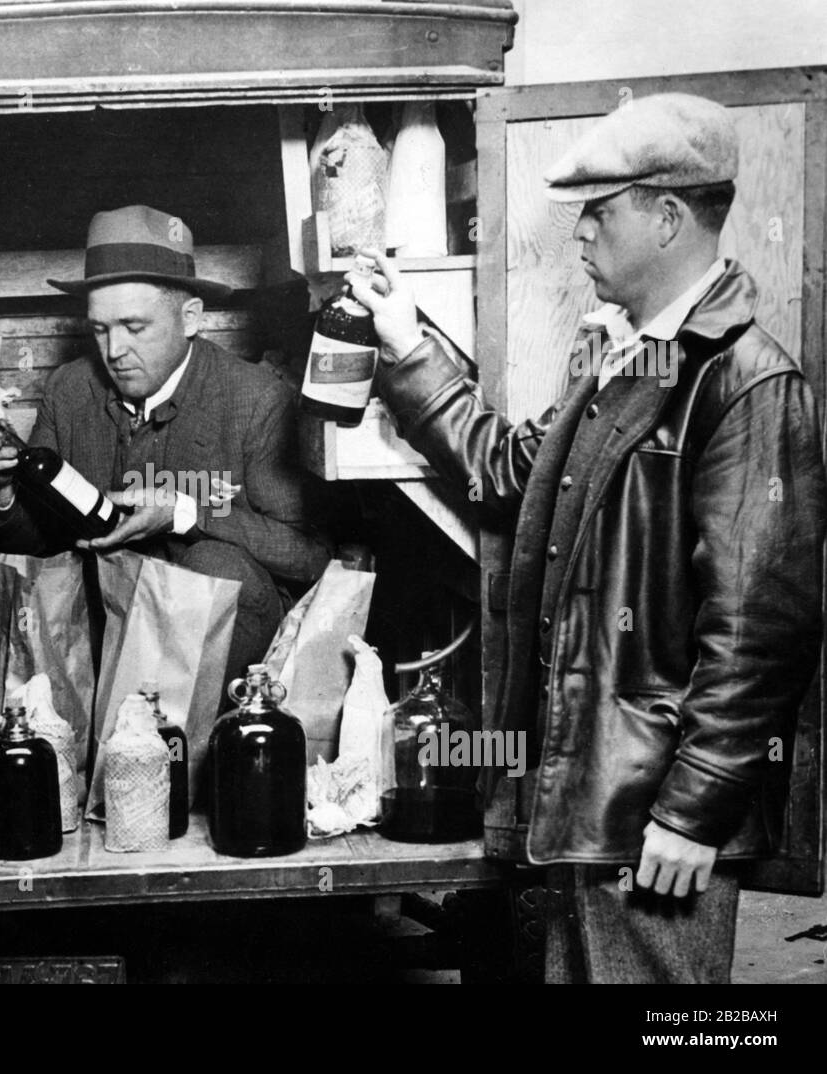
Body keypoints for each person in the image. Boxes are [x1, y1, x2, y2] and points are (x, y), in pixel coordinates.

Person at [351, 94, 826, 983]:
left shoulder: (746, 379)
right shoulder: (628, 359)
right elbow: (504, 468)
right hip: (592, 806)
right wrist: (407, 343)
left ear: (668, 217)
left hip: (655, 818)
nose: (580, 236)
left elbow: (764, 626)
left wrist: (696, 810)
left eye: (600, 213)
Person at [0, 205, 330, 681]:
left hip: (222, 644)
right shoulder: (70, 389)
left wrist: (187, 513)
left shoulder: (256, 399)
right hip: (103, 623)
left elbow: (308, 556)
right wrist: (2, 490)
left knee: (213, 565)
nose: (114, 351)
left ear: (190, 318)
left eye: (134, 328)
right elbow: (37, 539)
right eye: (99, 329)